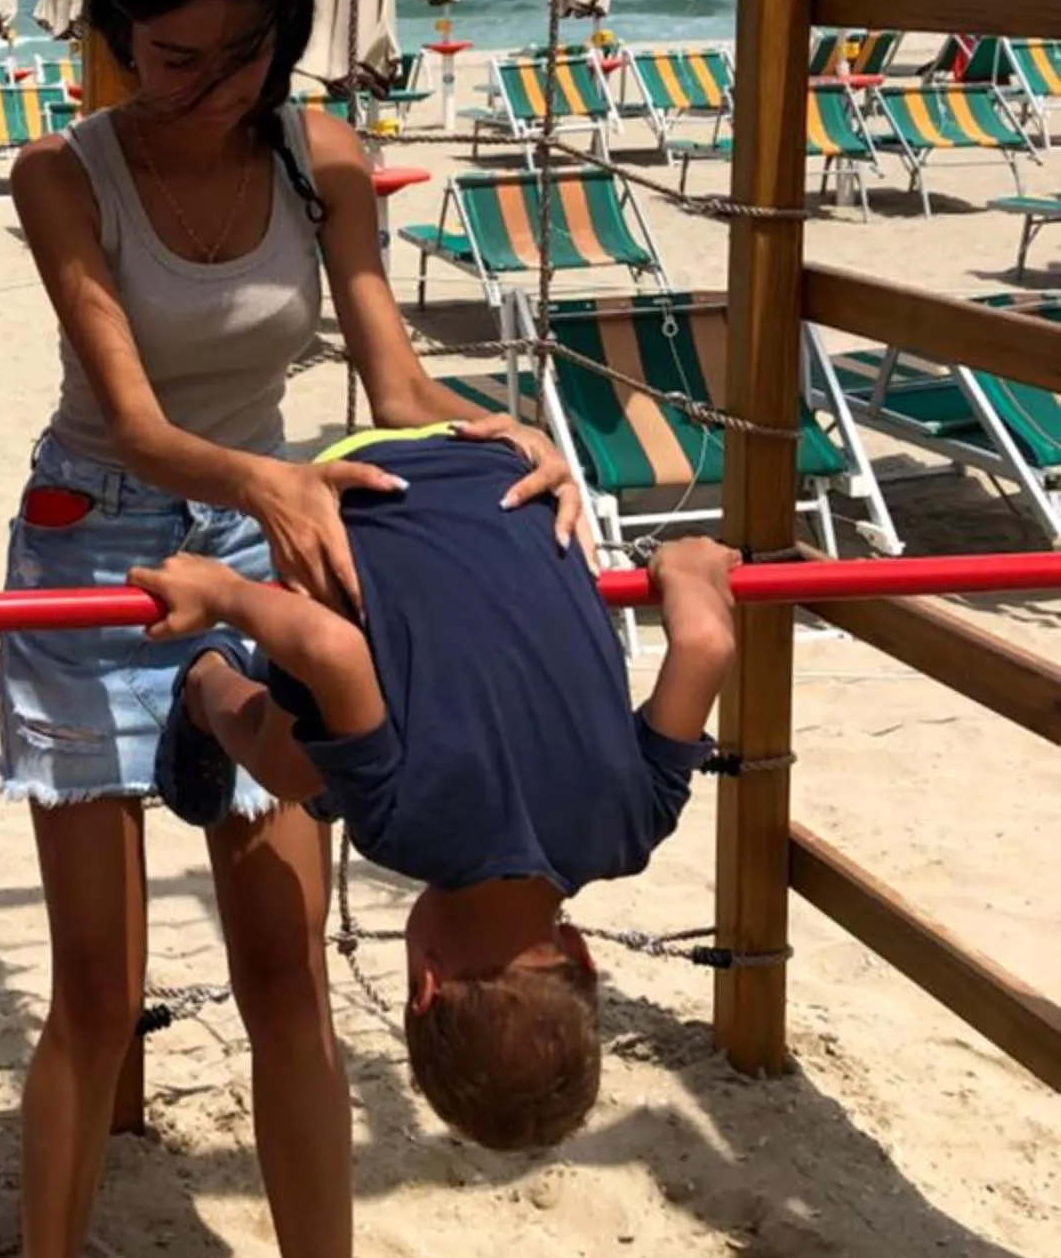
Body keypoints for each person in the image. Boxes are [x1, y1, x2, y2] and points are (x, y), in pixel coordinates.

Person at [0, 0, 582, 1258]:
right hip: (95, 556)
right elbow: (124, 410)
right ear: (113, 43)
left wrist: (504, 441)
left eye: (247, 52)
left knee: (288, 985)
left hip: (268, 555)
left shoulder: (319, 155)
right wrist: (255, 478)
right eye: (177, 57)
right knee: (94, 989)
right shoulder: (62, 174)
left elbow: (390, 385)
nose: (216, 89)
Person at [138, 443, 739, 1148]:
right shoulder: (404, 830)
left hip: (505, 472)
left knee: (340, 759)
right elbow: (331, 650)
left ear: (579, 953)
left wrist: (688, 570)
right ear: (426, 983)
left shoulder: (635, 826)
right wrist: (222, 597)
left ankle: (325, 752)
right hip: (353, 501)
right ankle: (206, 683)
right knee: (294, 771)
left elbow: (704, 644)